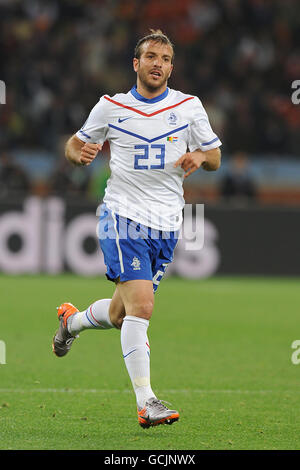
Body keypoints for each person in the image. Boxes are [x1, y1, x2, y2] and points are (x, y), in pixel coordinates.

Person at [52, 29, 222, 428]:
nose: (157, 64)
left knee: (120, 313)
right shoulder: (111, 107)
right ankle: (147, 402)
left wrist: (200, 155)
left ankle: (70, 322)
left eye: (164, 58)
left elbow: (215, 156)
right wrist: (81, 155)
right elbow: (73, 145)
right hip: (122, 215)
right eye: (150, 56)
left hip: (167, 223)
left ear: (171, 67)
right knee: (142, 307)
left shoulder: (189, 106)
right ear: (136, 63)